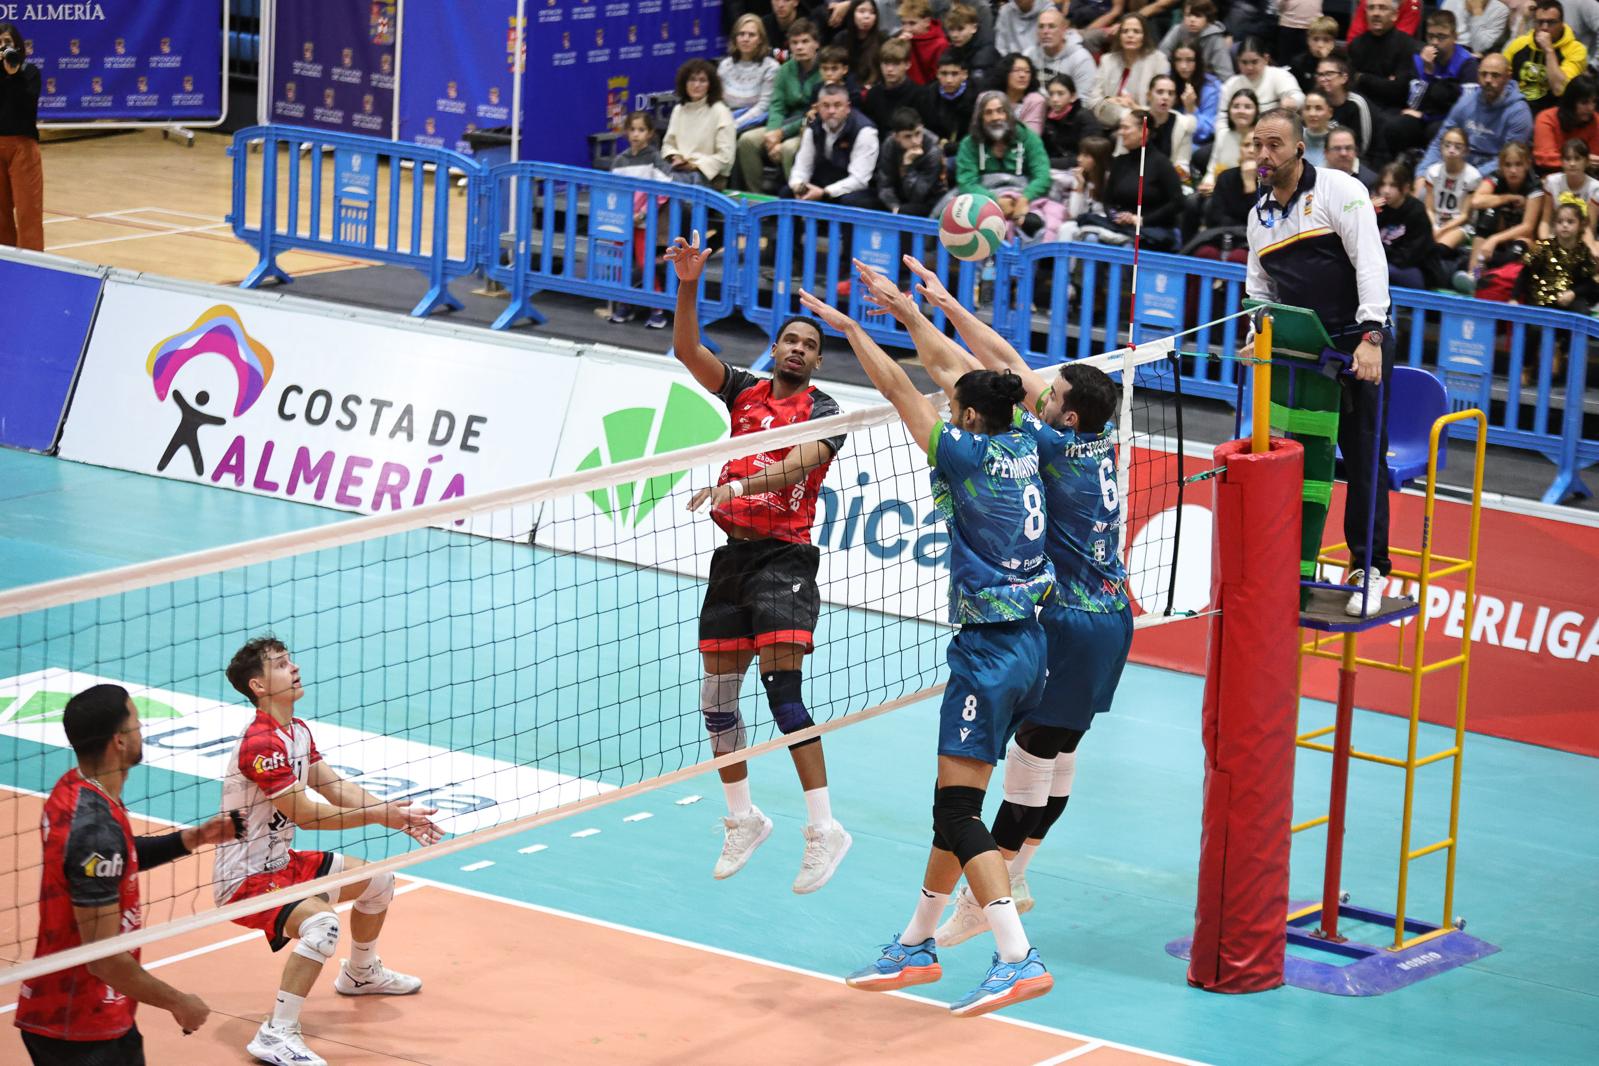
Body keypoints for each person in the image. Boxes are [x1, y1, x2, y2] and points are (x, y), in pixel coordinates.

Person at [799, 286, 1056, 1020]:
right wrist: (915, 315)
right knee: (956, 806)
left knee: (957, 809)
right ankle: (916, 943)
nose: (946, 408)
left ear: (968, 418)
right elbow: (953, 374)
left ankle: (1016, 956)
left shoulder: (966, 454)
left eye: (955, 407)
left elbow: (900, 388)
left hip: (988, 653)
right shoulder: (1025, 438)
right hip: (1032, 646)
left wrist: (849, 328)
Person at [868, 255, 1132, 948]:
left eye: (1050, 396)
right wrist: (948, 304)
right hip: (1115, 615)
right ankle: (1019, 874)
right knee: (1060, 748)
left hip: (1072, 619)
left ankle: (999, 885)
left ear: (1063, 415)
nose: (1039, 395)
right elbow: (1008, 364)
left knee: (1031, 754)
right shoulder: (1097, 436)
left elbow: (962, 377)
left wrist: (910, 316)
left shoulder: (1044, 444)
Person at [665, 233, 854, 893]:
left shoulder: (824, 411)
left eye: (809, 344)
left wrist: (738, 487)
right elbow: (688, 351)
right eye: (789, 340)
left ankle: (823, 828)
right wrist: (689, 284)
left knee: (783, 694)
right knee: (716, 701)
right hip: (732, 560)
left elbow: (800, 464)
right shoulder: (743, 392)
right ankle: (743, 818)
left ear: (817, 359)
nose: (798, 348)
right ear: (774, 349)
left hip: (785, 561)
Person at [216, 638, 441, 1066]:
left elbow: (335, 788)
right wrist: (381, 817)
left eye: (290, 660)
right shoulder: (260, 744)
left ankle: (361, 974)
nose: (294, 668)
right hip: (244, 880)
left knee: (379, 881)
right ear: (258, 686)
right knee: (322, 926)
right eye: (281, 665)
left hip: (282, 863)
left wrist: (393, 814)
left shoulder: (297, 731)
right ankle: (276, 1033)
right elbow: (307, 815)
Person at [14, 684, 236, 1065]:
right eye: (136, 723)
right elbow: (103, 959)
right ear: (119, 740)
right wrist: (179, 1003)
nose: (142, 730)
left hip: (91, 1012)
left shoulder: (77, 788)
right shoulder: (94, 831)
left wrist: (191, 839)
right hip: (77, 1025)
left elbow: (119, 856)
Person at [1245, 108, 1395, 616]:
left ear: (1298, 148)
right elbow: (1260, 290)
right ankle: (1294, 567)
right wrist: (1256, 334)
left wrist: (1372, 335)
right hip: (1302, 352)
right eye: (1258, 144)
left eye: (1274, 145)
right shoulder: (1259, 216)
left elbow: (1371, 263)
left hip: (1358, 344)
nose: (1264, 154)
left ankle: (1369, 568)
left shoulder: (1340, 190)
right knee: (1296, 460)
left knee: (1363, 456)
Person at [952, 90, 1053, 237]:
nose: (995, 117)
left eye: (1000, 111)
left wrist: (1025, 199)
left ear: (1009, 114)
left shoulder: (1028, 138)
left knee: (1040, 223)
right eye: (989, 113)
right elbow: (966, 182)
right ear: (980, 118)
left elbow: (1042, 175)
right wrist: (995, 201)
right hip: (983, 198)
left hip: (1024, 196)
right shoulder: (969, 143)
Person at [737, 19, 823, 191]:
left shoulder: (824, 70)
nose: (799, 47)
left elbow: (812, 114)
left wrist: (782, 133)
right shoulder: (785, 70)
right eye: (794, 43)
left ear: (816, 44)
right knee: (747, 140)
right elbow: (777, 105)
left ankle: (797, 200)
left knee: (788, 148)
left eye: (805, 41)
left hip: (808, 128)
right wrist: (772, 133)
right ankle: (756, 198)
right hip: (783, 123)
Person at [1416, 53, 1532, 179]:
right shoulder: (1466, 102)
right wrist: (1422, 173)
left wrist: (1469, 178)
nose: (1488, 80)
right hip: (1461, 165)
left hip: (1495, 174)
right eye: (1483, 74)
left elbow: (1510, 159)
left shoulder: (1519, 112)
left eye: (1495, 75)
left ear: (1507, 78)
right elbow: (1440, 141)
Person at [1384, 9, 1479, 158]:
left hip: (1451, 121)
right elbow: (1414, 104)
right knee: (1396, 127)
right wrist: (1428, 73)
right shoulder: (1420, 60)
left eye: (1441, 37)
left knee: (1435, 131)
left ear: (1454, 37)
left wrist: (1426, 116)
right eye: (1430, 36)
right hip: (1424, 116)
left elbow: (1468, 108)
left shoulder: (1467, 63)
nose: (1434, 42)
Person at [1456, 140, 1544, 291]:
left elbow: (1528, 227)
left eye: (1518, 164)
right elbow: (1476, 201)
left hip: (1523, 240)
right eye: (1508, 165)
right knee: (1487, 214)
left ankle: (1492, 281)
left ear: (1527, 164)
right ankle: (1474, 274)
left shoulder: (1534, 185)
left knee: (1517, 247)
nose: (1513, 170)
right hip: (1500, 232)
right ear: (1501, 166)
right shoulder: (1496, 177)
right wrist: (1508, 198)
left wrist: (1494, 239)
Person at [787, 83, 882, 206]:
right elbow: (802, 168)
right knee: (788, 193)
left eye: (837, 105)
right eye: (826, 106)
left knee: (849, 201)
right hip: (826, 181)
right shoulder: (813, 128)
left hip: (860, 189)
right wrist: (798, 186)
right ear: (818, 108)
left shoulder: (865, 131)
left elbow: (860, 180)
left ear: (847, 108)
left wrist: (825, 192)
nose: (831, 111)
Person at [1104, 108, 1185, 248]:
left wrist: (1141, 220)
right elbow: (1108, 201)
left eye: (1126, 128)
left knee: (1128, 246)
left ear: (1143, 132)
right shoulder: (1119, 162)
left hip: (1151, 228)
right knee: (1090, 237)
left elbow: (1177, 202)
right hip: (1120, 226)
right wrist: (1115, 216)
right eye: (1120, 128)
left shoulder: (1161, 163)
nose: (1121, 132)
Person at [1347, 0, 1418, 147]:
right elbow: (1351, 85)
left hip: (1392, 109)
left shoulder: (1406, 45)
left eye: (1382, 8)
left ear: (1395, 15)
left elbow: (1399, 90)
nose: (1376, 13)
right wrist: (1385, 82)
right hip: (1362, 105)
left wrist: (1363, 77)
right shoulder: (1356, 44)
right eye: (1371, 8)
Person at [0, 21, 43, 251]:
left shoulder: (30, 72)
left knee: (28, 211)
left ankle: (32, 265)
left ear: (16, 44)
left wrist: (13, 75)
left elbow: (27, 105)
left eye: (7, 42)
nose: (3, 46)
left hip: (23, 148)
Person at [662, 59, 737, 187]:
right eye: (692, 80)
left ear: (710, 85)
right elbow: (668, 144)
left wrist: (695, 165)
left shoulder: (720, 111)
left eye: (702, 81)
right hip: (680, 172)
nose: (696, 85)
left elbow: (726, 157)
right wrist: (675, 156)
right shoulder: (679, 109)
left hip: (710, 179)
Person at [1504, 0, 1587, 114]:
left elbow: (1560, 89)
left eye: (1551, 22)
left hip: (1554, 113)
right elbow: (1500, 76)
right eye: (1540, 22)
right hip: (1517, 110)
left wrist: (1548, 50)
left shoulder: (1576, 50)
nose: (1544, 27)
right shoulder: (1519, 44)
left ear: (1562, 24)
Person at [1374, 160, 1443, 289]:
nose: (1386, 191)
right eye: (1383, 184)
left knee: (1372, 271)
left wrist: (1379, 252)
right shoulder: (1378, 208)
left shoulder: (1417, 212)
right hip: (1385, 263)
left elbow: (1409, 257)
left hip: (1418, 270)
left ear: (1405, 188)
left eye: (1393, 185)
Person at [1093, 13, 1170, 128]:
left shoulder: (1158, 60)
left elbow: (1161, 104)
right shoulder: (1108, 60)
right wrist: (1111, 100)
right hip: (1108, 119)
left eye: (1136, 31)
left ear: (1144, 36)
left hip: (1143, 123)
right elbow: (1094, 97)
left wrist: (1134, 107)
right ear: (1119, 36)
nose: (1130, 35)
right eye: (1125, 31)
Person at [1218, 38, 1305, 135]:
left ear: (1266, 59)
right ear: (1238, 61)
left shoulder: (1279, 75)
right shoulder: (1231, 84)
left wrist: (1292, 101)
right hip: (1239, 136)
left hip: (1274, 134)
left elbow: (1298, 96)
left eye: (1254, 62)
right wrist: (1224, 137)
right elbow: (1222, 119)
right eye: (1244, 62)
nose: (1249, 67)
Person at [1418, 126, 1483, 255]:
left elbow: (1465, 215)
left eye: (1458, 147)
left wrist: (1442, 230)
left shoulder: (1473, 176)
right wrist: (1434, 227)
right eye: (1447, 145)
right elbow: (1429, 209)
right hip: (1435, 221)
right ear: (1441, 147)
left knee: (1438, 249)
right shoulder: (1433, 172)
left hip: (1459, 225)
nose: (1451, 150)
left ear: (1466, 151)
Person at [1028, 6, 1100, 115]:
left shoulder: (1081, 58)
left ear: (1064, 30)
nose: (1045, 31)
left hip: (1068, 118)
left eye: (1051, 26)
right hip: (1034, 114)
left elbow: (1085, 102)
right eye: (1041, 27)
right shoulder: (1030, 54)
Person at [878, 105, 947, 213]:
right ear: (896, 137)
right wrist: (894, 206)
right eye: (908, 136)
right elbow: (885, 185)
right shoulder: (889, 144)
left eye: (918, 133)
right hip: (899, 195)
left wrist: (908, 166)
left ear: (922, 128)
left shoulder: (933, 151)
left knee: (906, 211)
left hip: (929, 200)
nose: (915, 141)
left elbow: (917, 196)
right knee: (858, 201)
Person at [721, 14, 782, 131]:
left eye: (751, 35)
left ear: (760, 39)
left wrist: (735, 124)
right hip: (727, 120)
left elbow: (763, 106)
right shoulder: (725, 65)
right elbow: (719, 102)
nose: (745, 39)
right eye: (741, 34)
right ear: (735, 38)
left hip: (755, 121)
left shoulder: (771, 67)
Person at [1137, 73, 1197, 183]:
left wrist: (1174, 176)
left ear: (1175, 99)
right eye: (1160, 92)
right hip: (1136, 178)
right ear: (1148, 95)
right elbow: (1122, 157)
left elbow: (1183, 164)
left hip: (1165, 181)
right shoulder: (1136, 118)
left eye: (1171, 93)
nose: (1165, 97)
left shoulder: (1183, 124)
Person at [1533, 71, 1599, 171]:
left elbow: (1594, 158)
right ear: (1571, 102)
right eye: (1584, 102)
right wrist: (1581, 161)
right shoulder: (1546, 118)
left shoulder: (1596, 121)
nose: (1591, 108)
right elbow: (1543, 157)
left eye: (1594, 102)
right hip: (1551, 173)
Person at [1200, 88, 1260, 196]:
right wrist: (1207, 184)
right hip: (1220, 188)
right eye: (1236, 106)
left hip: (1251, 190)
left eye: (1247, 107)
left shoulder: (1261, 137)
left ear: (1256, 111)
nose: (1241, 111)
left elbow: (1265, 173)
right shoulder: (1223, 134)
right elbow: (1211, 170)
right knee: (1192, 201)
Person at [860, 37, 928, 126]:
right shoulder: (873, 95)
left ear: (907, 64)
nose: (889, 69)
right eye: (885, 63)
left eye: (896, 64)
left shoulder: (920, 95)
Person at [1539, 134, 1599, 234]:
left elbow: (1590, 229)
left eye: (1577, 159)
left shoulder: (1596, 188)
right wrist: (1545, 242)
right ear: (1561, 162)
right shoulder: (1552, 182)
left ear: (1587, 162)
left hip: (1582, 238)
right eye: (1567, 159)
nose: (1572, 164)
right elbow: (1545, 222)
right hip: (1555, 237)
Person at [1315, 55, 1375, 153]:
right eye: (1320, 74)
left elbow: (1362, 145)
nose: (1323, 79)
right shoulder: (1315, 101)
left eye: (1329, 74)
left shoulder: (1356, 103)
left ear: (1344, 78)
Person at [1159, 0, 1234, 79]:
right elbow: (1162, 57)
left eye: (1198, 16)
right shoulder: (1177, 30)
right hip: (1177, 78)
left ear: (1208, 19)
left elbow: (1225, 72)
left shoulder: (1215, 38)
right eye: (1188, 15)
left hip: (1204, 80)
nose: (1192, 20)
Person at [1171, 42, 1224, 150]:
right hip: (1170, 139)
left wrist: (1191, 109)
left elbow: (1206, 132)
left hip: (1197, 145)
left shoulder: (1211, 87)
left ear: (1198, 62)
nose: (1183, 66)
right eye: (1178, 60)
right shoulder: (1167, 81)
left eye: (1189, 60)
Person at [1042, 73, 1104, 164]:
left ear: (1073, 97)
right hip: (1054, 164)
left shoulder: (1085, 117)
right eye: (1051, 94)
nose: (1054, 99)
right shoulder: (1048, 117)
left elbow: (1090, 155)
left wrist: (1048, 162)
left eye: (1060, 94)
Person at [922, 48, 978, 148]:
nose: (949, 80)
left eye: (954, 74)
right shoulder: (929, 95)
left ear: (964, 75)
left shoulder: (976, 95)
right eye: (944, 73)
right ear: (937, 74)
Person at [943, 2, 1001, 84]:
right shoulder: (951, 52)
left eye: (960, 29)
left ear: (974, 28)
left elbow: (978, 86)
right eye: (951, 29)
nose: (954, 35)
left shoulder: (984, 55)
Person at [1288, 14, 1344, 94]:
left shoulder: (1341, 60)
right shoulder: (1298, 62)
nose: (1320, 45)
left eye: (1326, 40)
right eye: (1315, 39)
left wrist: (1325, 61)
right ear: (1308, 40)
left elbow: (1340, 91)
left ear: (1333, 42)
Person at [835, 0, 888, 83]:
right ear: (852, 13)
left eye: (872, 12)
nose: (867, 16)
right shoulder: (841, 38)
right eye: (861, 11)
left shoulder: (883, 39)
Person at [994, 52, 1047, 134]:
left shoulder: (1035, 100)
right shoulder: (989, 98)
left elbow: (1032, 135)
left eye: (1027, 71)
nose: (1022, 75)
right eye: (1016, 70)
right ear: (1004, 73)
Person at [898, 0, 950, 83]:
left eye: (912, 23)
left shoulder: (940, 44)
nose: (907, 29)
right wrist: (899, 47)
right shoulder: (901, 39)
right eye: (903, 23)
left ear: (927, 22)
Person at [1441, 0, 1513, 55]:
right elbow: (1441, 34)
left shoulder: (1500, 11)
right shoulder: (1451, 2)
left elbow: (1479, 47)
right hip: (1448, 50)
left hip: (1474, 56)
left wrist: (1477, 12)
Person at [1301, 90, 1336, 164]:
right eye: (1307, 108)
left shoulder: (1338, 140)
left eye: (1318, 108)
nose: (1312, 113)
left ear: (1330, 112)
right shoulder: (1295, 138)